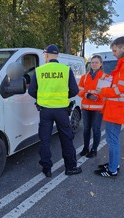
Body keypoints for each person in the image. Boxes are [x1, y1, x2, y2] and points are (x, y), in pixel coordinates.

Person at [28, 44, 82, 178]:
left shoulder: (39, 71)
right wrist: (63, 97)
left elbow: (31, 91)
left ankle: (47, 169)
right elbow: (75, 90)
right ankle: (70, 167)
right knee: (66, 139)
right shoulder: (65, 70)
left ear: (46, 55)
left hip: (45, 110)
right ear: (57, 55)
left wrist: (42, 99)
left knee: (45, 139)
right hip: (61, 111)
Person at [94, 36, 124, 177]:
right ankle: (114, 164)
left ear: (123, 48)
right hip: (116, 107)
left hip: (118, 108)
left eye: (115, 50)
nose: (114, 54)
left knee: (112, 139)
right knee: (113, 138)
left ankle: (112, 170)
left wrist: (102, 90)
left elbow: (122, 88)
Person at [78, 55, 111, 158]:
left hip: (97, 108)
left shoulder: (105, 77)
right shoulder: (84, 77)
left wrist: (96, 97)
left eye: (96, 62)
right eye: (92, 62)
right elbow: (79, 90)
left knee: (96, 129)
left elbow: (106, 92)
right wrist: (87, 95)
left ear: (101, 64)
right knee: (86, 129)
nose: (94, 64)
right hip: (86, 108)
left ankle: (94, 150)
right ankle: (85, 148)